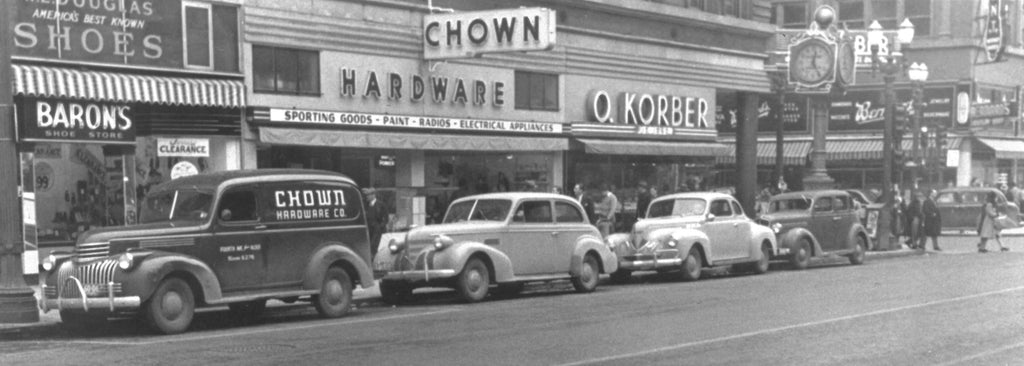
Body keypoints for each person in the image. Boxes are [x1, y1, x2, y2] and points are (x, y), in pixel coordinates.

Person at [363, 188, 389, 259]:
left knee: (376, 246)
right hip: (369, 230)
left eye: (368, 195)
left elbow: (386, 218)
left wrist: (380, 227)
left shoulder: (381, 205)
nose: (367, 197)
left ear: (373, 195)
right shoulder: (366, 206)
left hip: (378, 230)